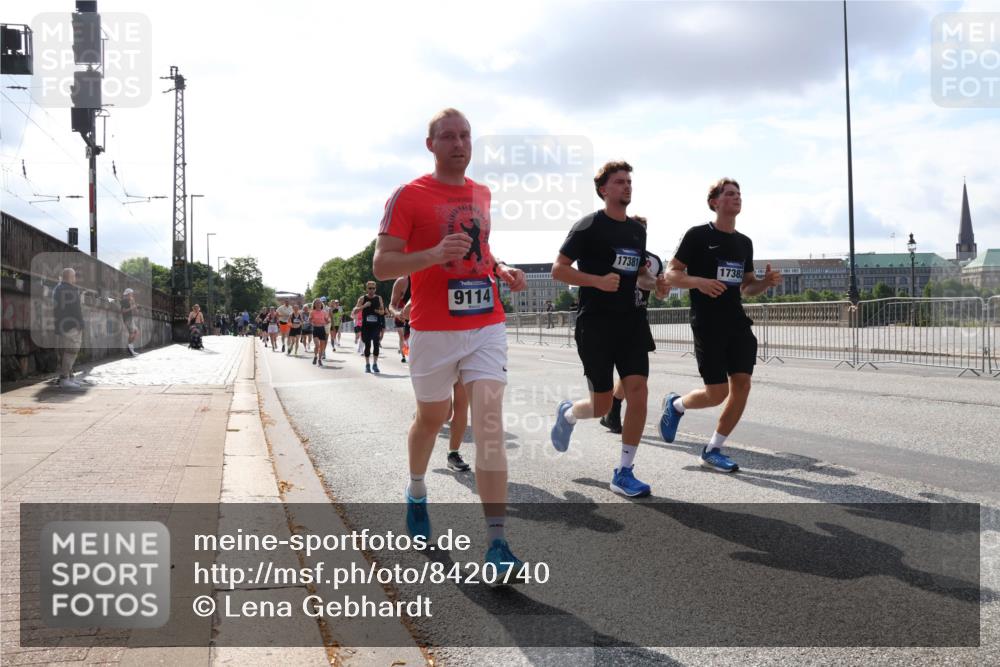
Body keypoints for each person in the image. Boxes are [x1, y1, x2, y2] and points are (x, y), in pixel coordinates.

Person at [373, 107, 528, 573]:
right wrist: (433, 255)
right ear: (431, 145)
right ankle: (417, 490)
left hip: (485, 323)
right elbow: (382, 265)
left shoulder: (482, 193)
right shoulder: (409, 195)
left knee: (488, 425)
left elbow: (480, 250)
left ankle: (497, 546)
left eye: (465, 136)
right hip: (434, 329)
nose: (459, 144)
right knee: (431, 417)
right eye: (448, 137)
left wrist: (500, 269)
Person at [549, 161, 669, 497]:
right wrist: (596, 281)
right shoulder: (588, 226)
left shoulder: (636, 230)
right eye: (620, 182)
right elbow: (558, 269)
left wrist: (655, 285)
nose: (627, 187)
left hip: (631, 322)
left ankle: (624, 470)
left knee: (639, 392)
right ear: (604, 189)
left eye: (630, 181)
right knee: (601, 405)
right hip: (596, 323)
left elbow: (638, 276)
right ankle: (570, 414)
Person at [658, 178, 781, 472]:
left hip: (737, 322)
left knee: (742, 385)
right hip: (707, 322)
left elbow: (746, 287)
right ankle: (676, 405)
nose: (736, 198)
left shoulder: (743, 242)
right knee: (716, 393)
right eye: (729, 194)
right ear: (714, 202)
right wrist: (698, 282)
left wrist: (764, 283)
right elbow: (671, 274)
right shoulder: (698, 235)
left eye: (739, 194)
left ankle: (713, 449)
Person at [600, 216, 665, 434]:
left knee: (634, 374)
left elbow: (654, 286)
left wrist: (661, 287)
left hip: (637, 317)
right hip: (610, 316)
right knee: (620, 374)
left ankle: (613, 410)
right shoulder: (613, 251)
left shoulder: (653, 261)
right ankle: (608, 408)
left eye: (643, 231)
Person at [53, 268, 84, 390]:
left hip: (62, 325)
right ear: (70, 277)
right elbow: (76, 309)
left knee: (66, 352)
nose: (75, 279)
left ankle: (69, 377)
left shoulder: (58, 288)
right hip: (71, 325)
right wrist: (80, 324)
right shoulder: (70, 289)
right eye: (74, 276)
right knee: (71, 351)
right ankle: (65, 378)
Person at [354, 281, 385, 373]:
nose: (371, 290)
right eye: (370, 288)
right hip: (366, 326)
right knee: (367, 345)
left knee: (376, 345)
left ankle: (375, 364)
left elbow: (383, 311)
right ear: (366, 289)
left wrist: (379, 311)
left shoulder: (379, 298)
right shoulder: (362, 298)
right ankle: (367, 365)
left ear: (375, 289)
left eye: (373, 288)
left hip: (376, 325)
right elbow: (355, 311)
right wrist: (364, 306)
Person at [390, 276, 412, 363]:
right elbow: (392, 305)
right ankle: (404, 353)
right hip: (409, 323)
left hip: (437, 326)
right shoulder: (403, 281)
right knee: (401, 337)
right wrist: (396, 313)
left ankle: (405, 352)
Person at [309, 298, 330, 366]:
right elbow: (310, 320)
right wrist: (312, 323)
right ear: (314, 304)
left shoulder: (324, 312)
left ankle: (319, 359)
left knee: (322, 346)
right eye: (316, 303)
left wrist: (327, 321)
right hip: (315, 329)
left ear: (321, 304)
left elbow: (327, 320)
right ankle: (315, 356)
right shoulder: (312, 312)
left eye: (319, 303)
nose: (318, 304)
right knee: (317, 345)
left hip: (322, 329)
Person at [120, 287, 139, 356]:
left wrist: (133, 303)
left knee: (136, 332)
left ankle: (130, 347)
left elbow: (136, 311)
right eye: (131, 294)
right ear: (128, 294)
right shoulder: (124, 301)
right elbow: (123, 311)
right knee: (132, 332)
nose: (132, 295)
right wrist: (132, 307)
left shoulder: (129, 301)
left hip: (130, 318)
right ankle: (130, 349)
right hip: (127, 319)